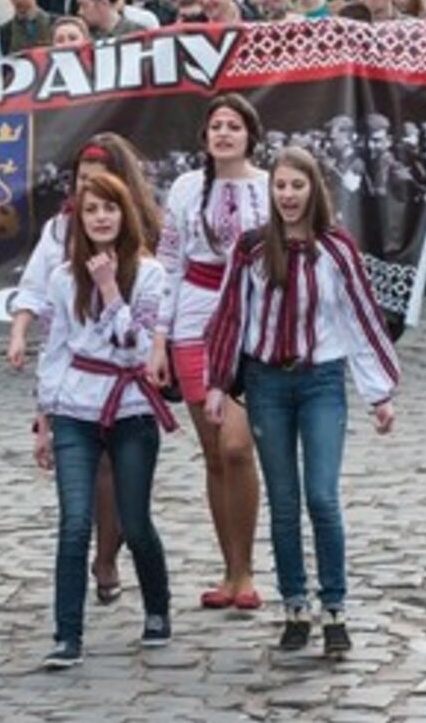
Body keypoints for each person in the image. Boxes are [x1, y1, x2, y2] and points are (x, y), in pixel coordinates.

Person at [205, 148, 399, 655]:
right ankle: (295, 604)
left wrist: (378, 392)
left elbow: (361, 316)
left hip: (321, 382)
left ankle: (334, 606)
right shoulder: (252, 248)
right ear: (270, 192)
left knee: (321, 496)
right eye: (280, 186)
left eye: (297, 186)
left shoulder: (335, 248)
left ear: (314, 189)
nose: (288, 195)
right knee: (284, 500)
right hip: (267, 384)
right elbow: (231, 315)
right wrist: (218, 383)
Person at [27, 171, 176, 669]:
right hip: (76, 408)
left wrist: (111, 289)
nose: (101, 218)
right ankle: (67, 634)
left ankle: (157, 607)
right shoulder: (62, 279)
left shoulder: (150, 275)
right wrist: (44, 418)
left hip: (131, 407)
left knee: (134, 520)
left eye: (109, 208)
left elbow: (136, 346)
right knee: (74, 522)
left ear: (124, 214)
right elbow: (53, 351)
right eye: (91, 210)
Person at [9, 134, 162, 607]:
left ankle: (111, 554)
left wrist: (111, 290)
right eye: (82, 184)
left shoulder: (142, 242)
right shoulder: (59, 235)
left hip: (125, 383)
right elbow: (37, 289)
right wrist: (20, 332)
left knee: (119, 480)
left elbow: (142, 332)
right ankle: (74, 604)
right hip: (75, 379)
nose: (93, 203)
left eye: (102, 187)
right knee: (81, 489)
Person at [151, 94, 269, 611]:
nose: (224, 133)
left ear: (250, 136)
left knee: (238, 446)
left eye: (233, 126)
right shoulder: (185, 188)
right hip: (193, 322)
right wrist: (159, 338)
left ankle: (248, 569)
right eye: (216, 126)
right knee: (215, 452)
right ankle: (230, 568)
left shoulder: (268, 188)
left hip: (249, 324)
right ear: (205, 136)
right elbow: (170, 263)